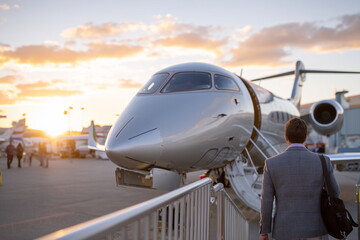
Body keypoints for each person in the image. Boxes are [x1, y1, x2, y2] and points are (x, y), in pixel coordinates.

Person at [259, 118, 340, 240]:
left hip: (284, 231)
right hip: (316, 229)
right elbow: (335, 192)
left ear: (286, 137)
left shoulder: (271, 164)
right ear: (305, 137)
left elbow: (266, 201)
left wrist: (264, 231)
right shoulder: (323, 161)